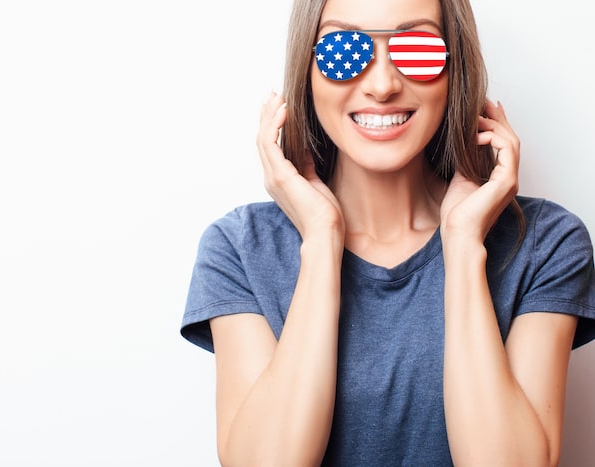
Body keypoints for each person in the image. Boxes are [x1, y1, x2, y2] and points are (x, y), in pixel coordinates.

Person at [180, 0, 595, 464]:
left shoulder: (545, 243)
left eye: (416, 49)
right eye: (343, 50)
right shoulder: (239, 249)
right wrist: (320, 241)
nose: (382, 85)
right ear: (307, 71)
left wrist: (461, 246)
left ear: (455, 70)